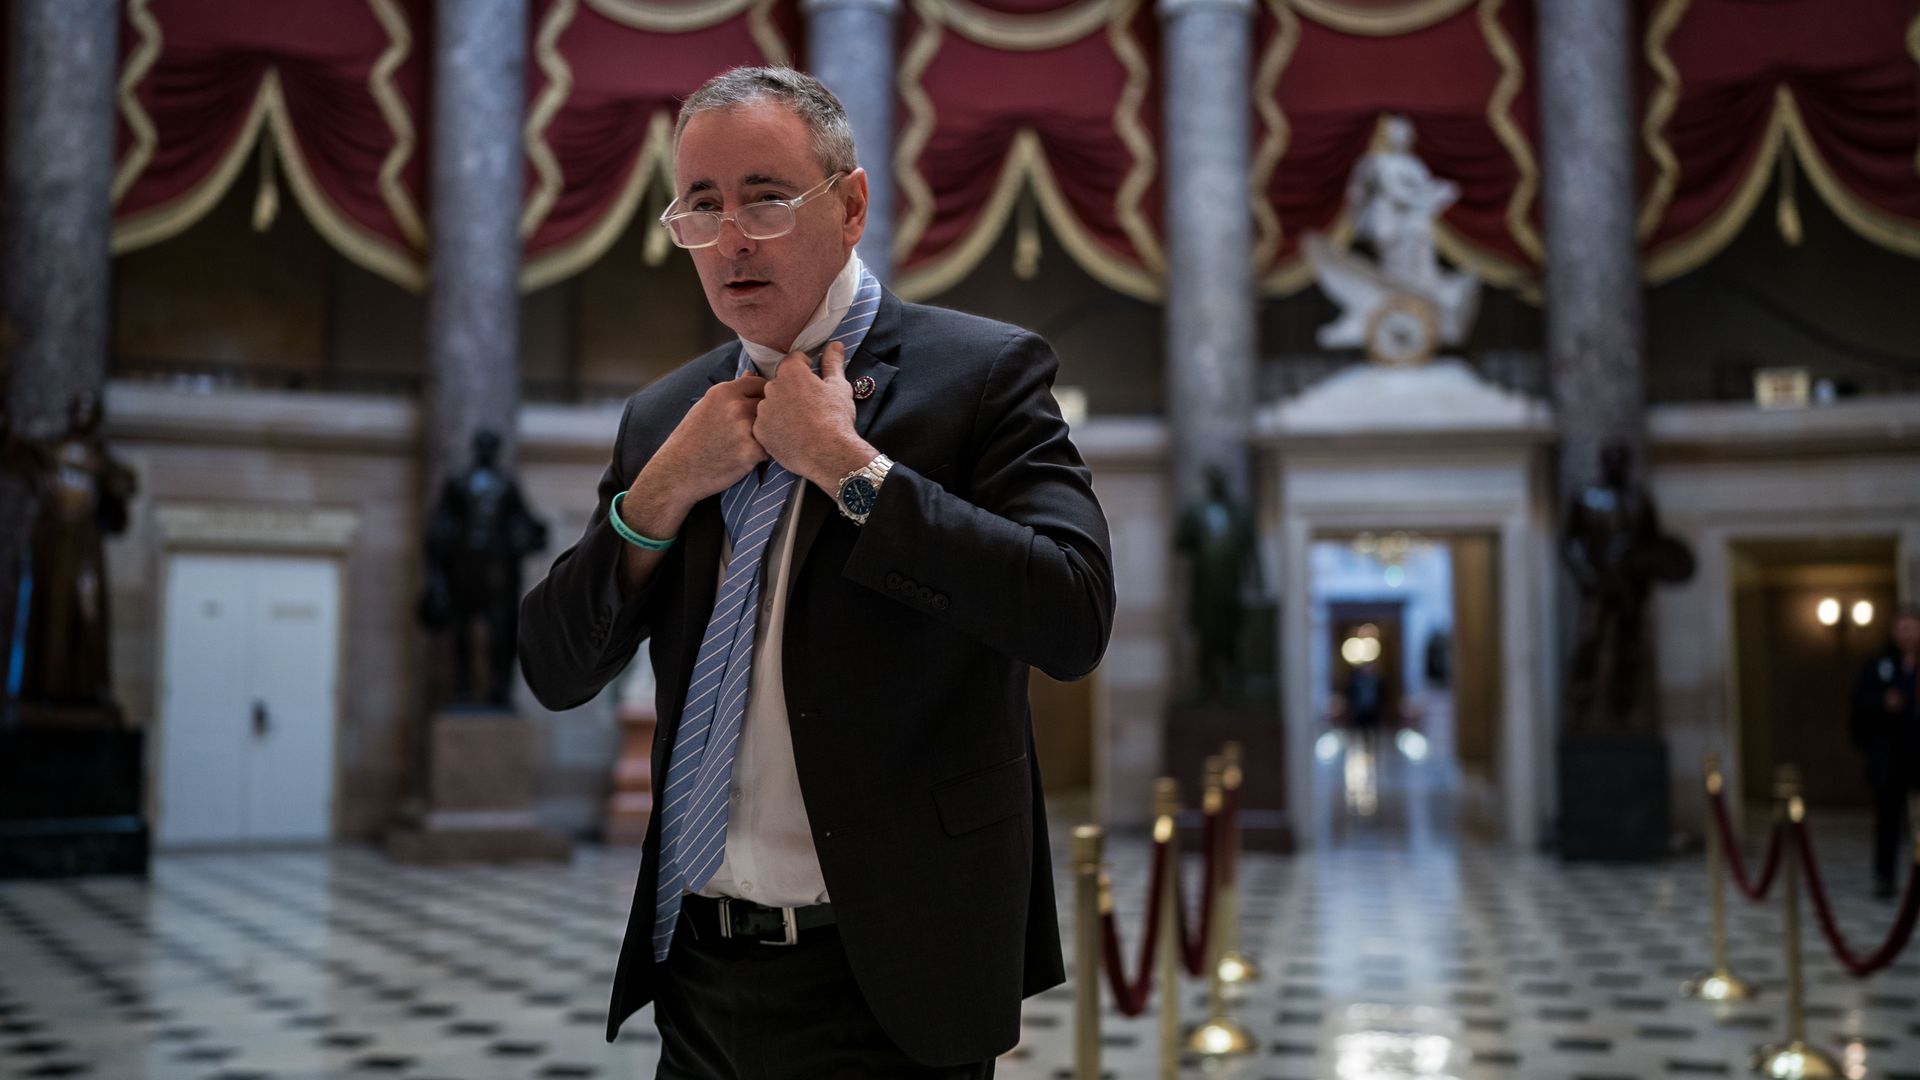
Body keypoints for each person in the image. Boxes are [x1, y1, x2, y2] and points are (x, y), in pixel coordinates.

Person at [517, 67, 1114, 1077]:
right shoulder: (667, 418)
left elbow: (1071, 613)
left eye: (764, 195)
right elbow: (556, 667)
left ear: (849, 206)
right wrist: (660, 495)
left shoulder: (985, 376)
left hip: (894, 977)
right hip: (699, 975)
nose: (732, 236)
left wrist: (851, 469)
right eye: (701, 204)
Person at [1850, 605, 1920, 899]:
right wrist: (1883, 702)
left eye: (1913, 627)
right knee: (1888, 820)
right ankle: (1885, 878)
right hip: (1890, 756)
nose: (1908, 633)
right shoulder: (1878, 665)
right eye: (1902, 627)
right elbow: (1859, 704)